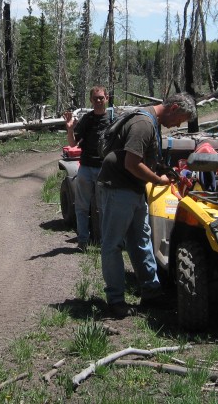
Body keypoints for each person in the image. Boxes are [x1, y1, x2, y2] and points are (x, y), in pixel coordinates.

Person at [97, 93, 197, 318]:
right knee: (112, 245)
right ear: (172, 107)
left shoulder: (152, 122)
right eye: (180, 118)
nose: (178, 124)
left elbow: (144, 159)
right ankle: (116, 301)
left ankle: (151, 292)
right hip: (118, 188)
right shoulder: (143, 124)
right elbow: (131, 163)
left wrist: (165, 171)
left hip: (133, 189)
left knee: (141, 240)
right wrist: (158, 180)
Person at [63, 85, 111, 252]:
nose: (98, 101)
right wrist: (70, 129)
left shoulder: (113, 119)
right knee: (82, 206)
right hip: (86, 168)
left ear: (107, 98)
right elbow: (72, 144)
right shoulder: (87, 119)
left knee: (103, 208)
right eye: (95, 98)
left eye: (101, 98)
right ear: (91, 100)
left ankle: (105, 243)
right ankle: (83, 241)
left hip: (104, 170)